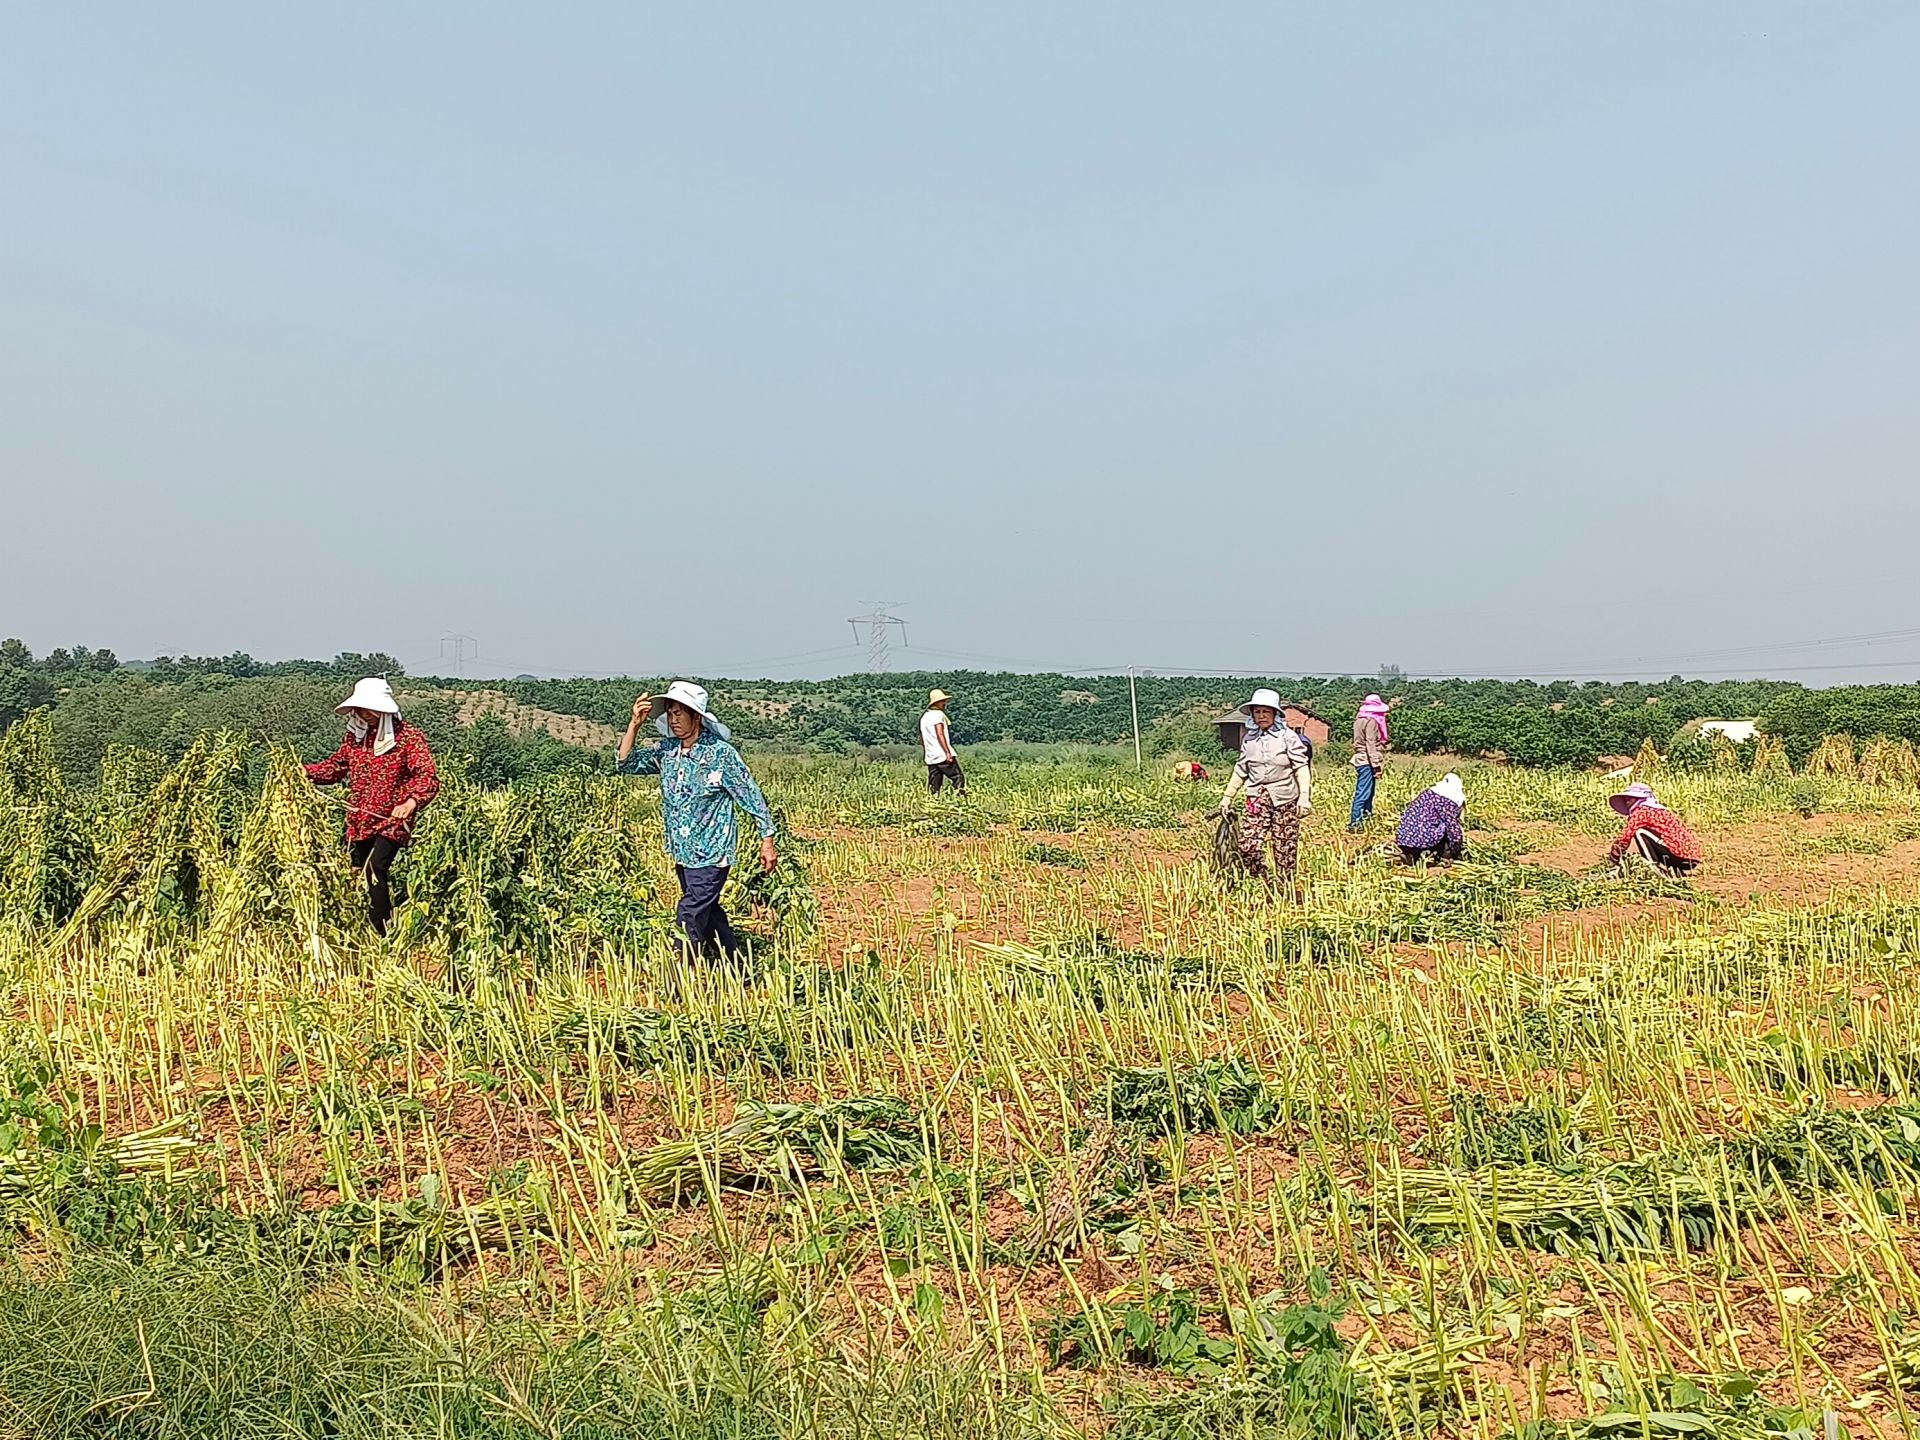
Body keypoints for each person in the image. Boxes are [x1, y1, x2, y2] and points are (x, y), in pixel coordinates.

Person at [616, 680, 778, 961]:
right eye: (670, 712)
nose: (674, 718)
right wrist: (634, 724)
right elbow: (625, 763)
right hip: (683, 851)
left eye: (680, 712)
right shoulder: (667, 752)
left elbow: (750, 795)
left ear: (697, 717)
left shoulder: (721, 754)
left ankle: (681, 980)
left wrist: (767, 841)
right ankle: (738, 968)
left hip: (713, 854)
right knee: (710, 913)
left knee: (689, 914)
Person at [305, 676, 439, 933]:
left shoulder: (407, 737)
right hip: (360, 819)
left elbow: (427, 776)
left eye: (369, 709)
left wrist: (411, 803)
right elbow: (335, 768)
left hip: (393, 819)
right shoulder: (355, 738)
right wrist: (305, 772)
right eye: (361, 709)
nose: (365, 714)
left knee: (375, 869)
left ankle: (382, 931)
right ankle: (360, 927)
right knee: (355, 872)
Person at [1220, 688, 1313, 888]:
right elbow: (1241, 770)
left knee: (1284, 849)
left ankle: (1284, 889)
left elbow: (1301, 768)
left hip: (1285, 798)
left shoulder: (1287, 737)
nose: (1261, 716)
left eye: (1266, 712)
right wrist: (1227, 797)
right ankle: (1261, 881)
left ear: (1275, 714)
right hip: (1256, 798)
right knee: (1248, 845)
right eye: (1257, 712)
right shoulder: (1249, 739)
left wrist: (1304, 797)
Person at [1606, 782, 1703, 877]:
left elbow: (1624, 839)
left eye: (1629, 799)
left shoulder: (1642, 812)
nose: (1627, 802)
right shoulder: (1660, 811)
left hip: (1681, 856)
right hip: (1690, 858)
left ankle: (1652, 866)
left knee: (1640, 832)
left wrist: (1612, 861)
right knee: (1655, 835)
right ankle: (1674, 870)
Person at [1396, 773, 1467, 865]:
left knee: (1429, 823)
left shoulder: (1428, 793)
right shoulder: (1448, 801)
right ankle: (1444, 858)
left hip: (1403, 836)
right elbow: (1453, 829)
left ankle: (1411, 856)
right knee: (1447, 827)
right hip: (1423, 838)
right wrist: (1457, 849)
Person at [1349, 693, 1389, 831]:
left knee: (1367, 792)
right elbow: (1370, 744)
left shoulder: (1359, 719)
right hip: (1367, 760)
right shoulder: (1371, 721)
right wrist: (1376, 765)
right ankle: (1355, 824)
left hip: (1361, 758)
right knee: (1364, 793)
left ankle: (1365, 820)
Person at [921, 689, 965, 794]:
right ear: (937, 702)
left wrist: (927, 751)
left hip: (931, 756)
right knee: (958, 777)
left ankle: (932, 803)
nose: (945, 703)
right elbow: (940, 734)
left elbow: (922, 737)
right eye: (943, 701)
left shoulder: (924, 717)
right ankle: (960, 801)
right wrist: (948, 753)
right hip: (941, 754)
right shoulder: (938, 716)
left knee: (934, 784)